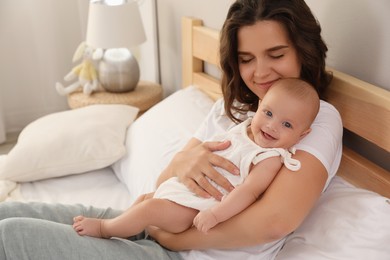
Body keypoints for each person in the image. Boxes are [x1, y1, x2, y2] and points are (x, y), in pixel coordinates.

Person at [0, 0, 342, 259]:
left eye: (276, 54)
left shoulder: (315, 120)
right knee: (7, 215)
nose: (259, 72)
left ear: (303, 50)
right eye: (246, 58)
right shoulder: (233, 109)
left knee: (10, 236)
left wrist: (175, 239)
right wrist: (182, 166)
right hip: (151, 217)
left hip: (179, 251)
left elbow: (275, 222)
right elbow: (165, 180)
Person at [72, 78, 320, 238]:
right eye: (268, 113)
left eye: (287, 124)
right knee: (145, 199)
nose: (272, 126)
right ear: (260, 105)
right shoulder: (244, 127)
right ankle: (124, 228)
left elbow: (249, 192)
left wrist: (215, 215)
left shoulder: (269, 158)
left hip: (193, 209)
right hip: (180, 191)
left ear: (302, 135)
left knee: (148, 208)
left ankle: (106, 230)